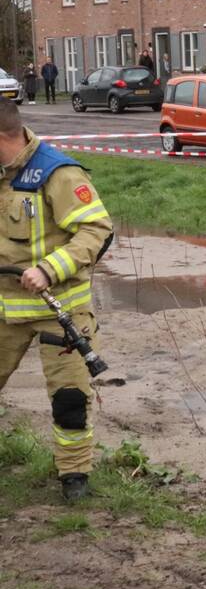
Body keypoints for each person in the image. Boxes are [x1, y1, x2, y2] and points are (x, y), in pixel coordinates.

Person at [0, 98, 113, 500]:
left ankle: (74, 476)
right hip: (4, 311)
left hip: (58, 311)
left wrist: (49, 269)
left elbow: (96, 230)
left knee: (69, 401)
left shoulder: (57, 173)